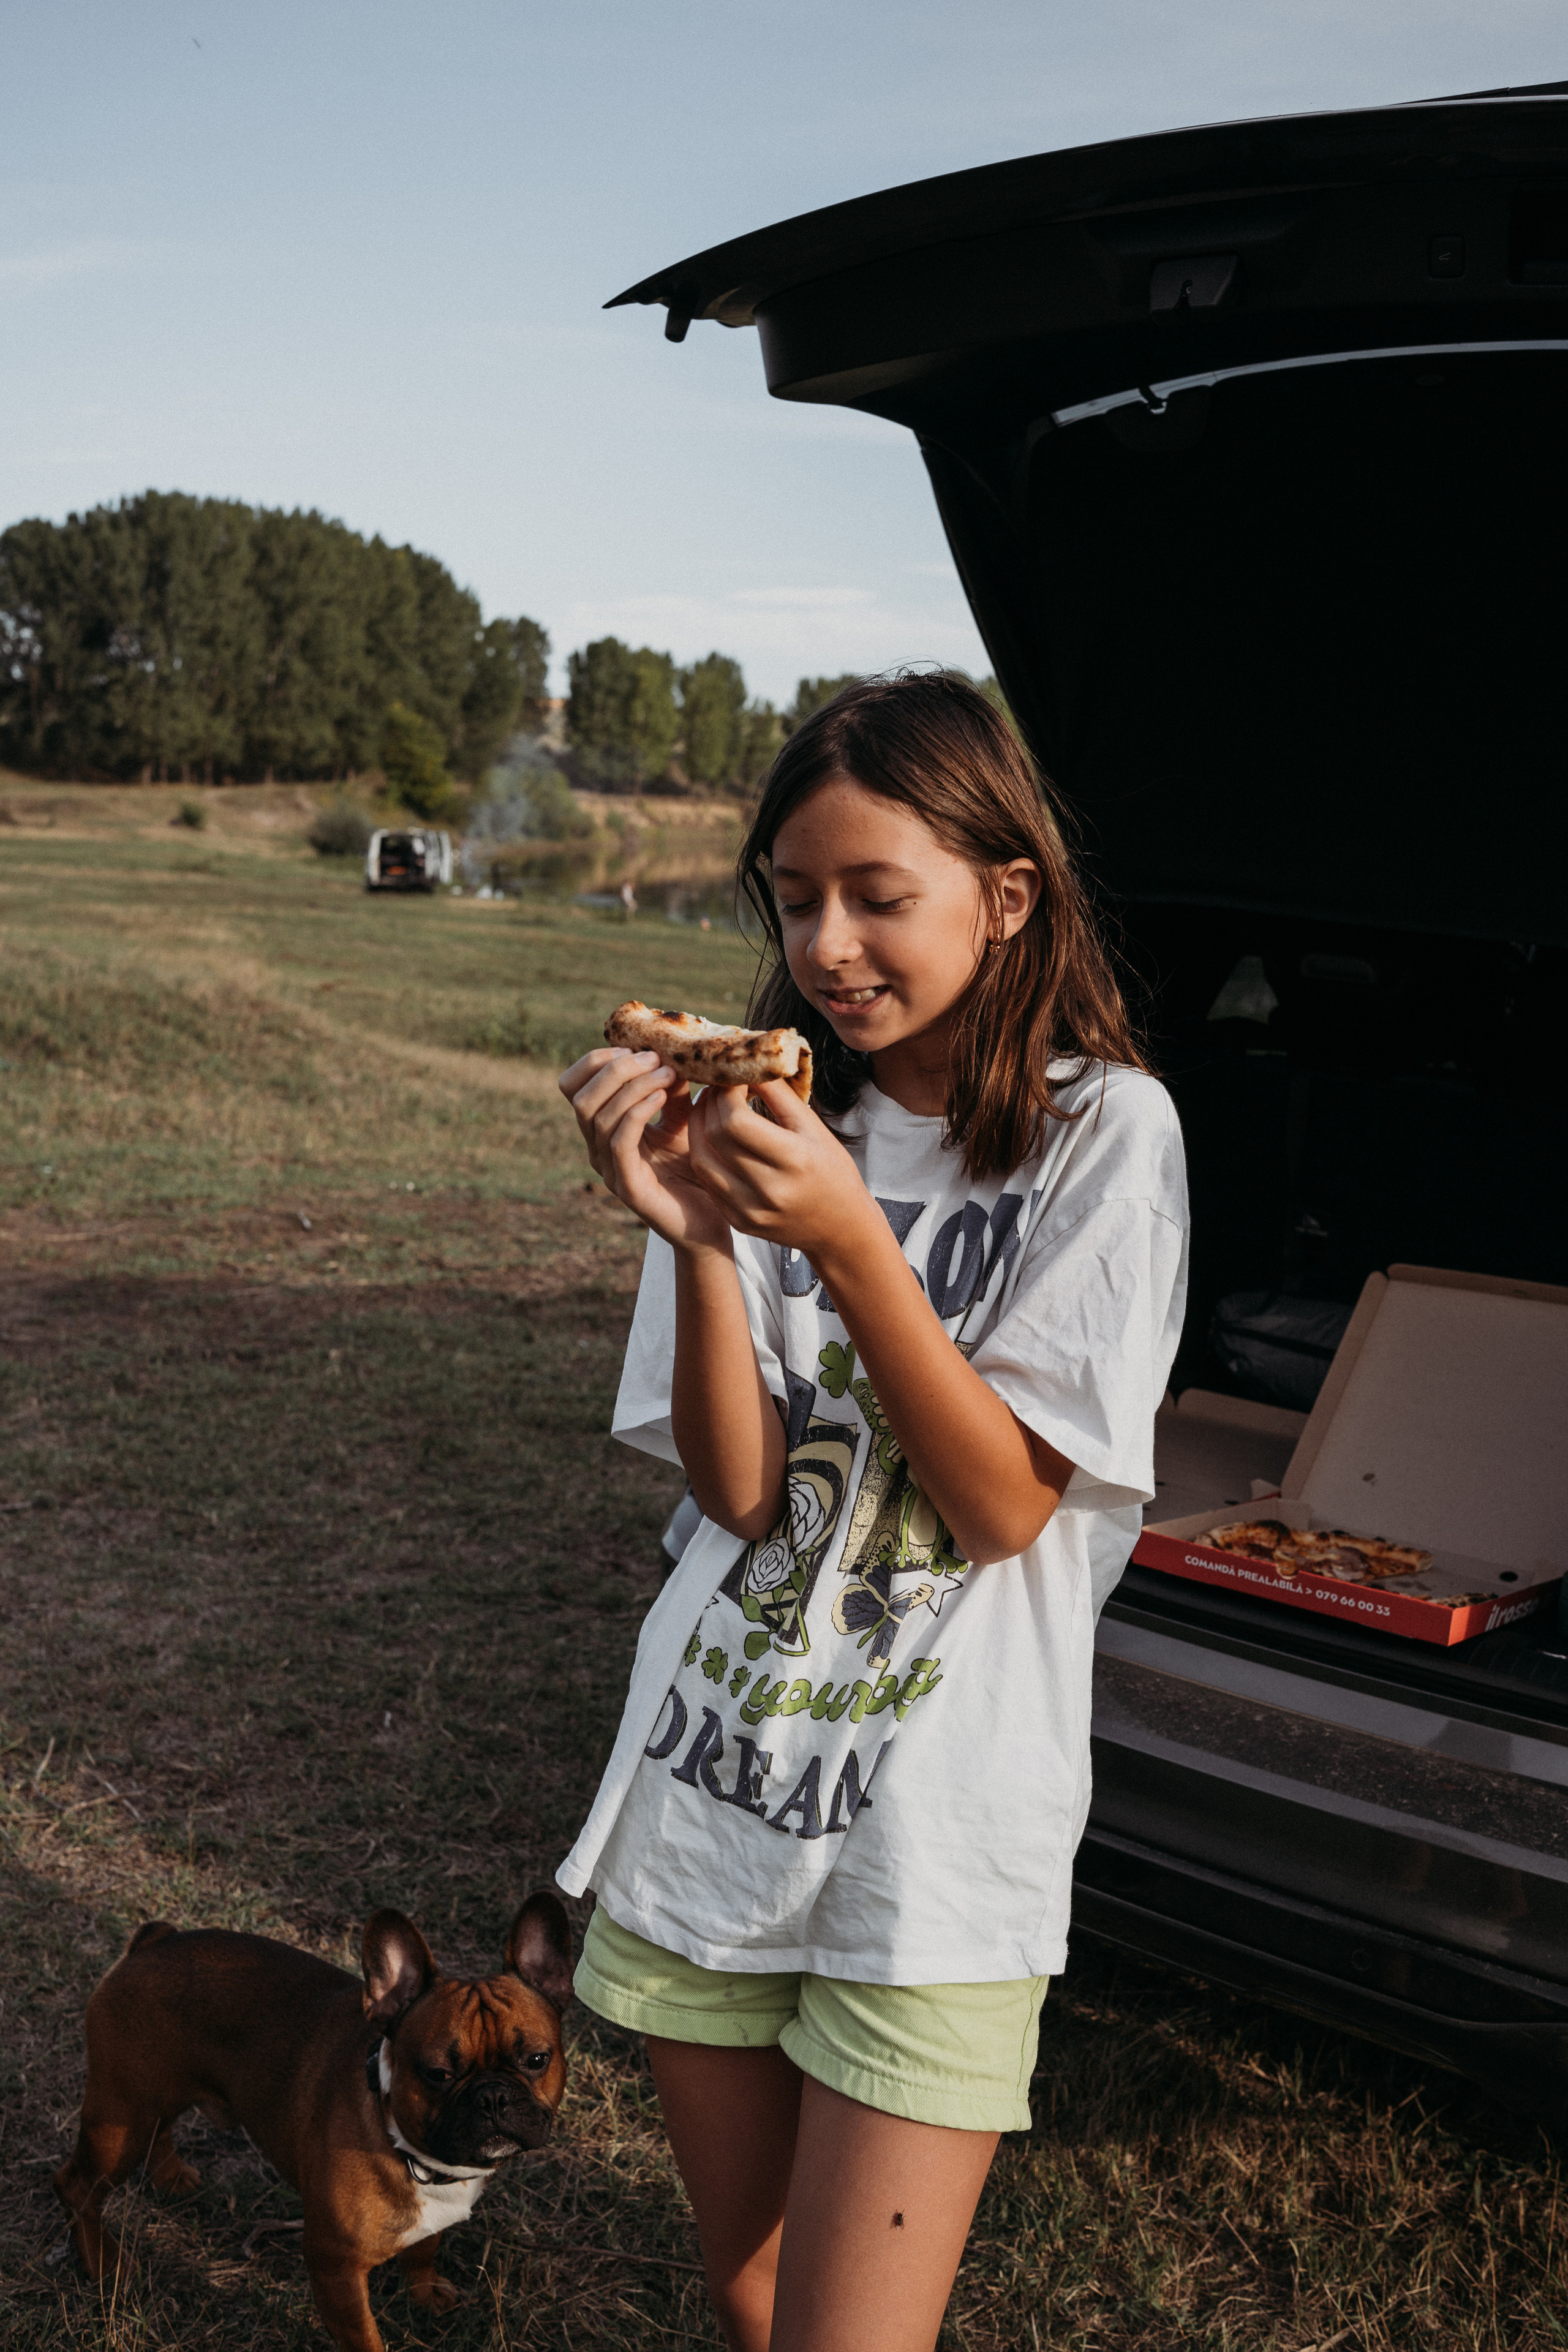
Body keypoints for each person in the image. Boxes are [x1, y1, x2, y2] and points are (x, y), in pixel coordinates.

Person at [556, 671, 1188, 2352]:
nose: (827, 946)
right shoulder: (767, 1123)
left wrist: (847, 1241)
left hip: (938, 1843)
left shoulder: (1102, 1136)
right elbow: (743, 1493)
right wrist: (699, 1237)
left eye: (876, 895)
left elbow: (1002, 1507)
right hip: (720, 1783)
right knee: (754, 2298)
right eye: (793, 898)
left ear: (1007, 895)